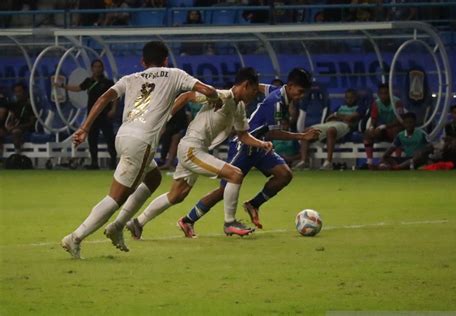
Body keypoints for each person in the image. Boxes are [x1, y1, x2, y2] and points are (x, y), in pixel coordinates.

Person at [61, 41, 221, 259]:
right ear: (166, 60)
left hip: (123, 136)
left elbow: (103, 98)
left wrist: (84, 128)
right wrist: (215, 99)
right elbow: (208, 90)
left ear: (143, 62)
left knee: (153, 178)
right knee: (116, 198)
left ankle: (117, 227)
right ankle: (76, 238)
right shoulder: (174, 74)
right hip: (141, 142)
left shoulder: (132, 78)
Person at [118, 67, 272, 239]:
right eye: (253, 89)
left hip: (197, 149)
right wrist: (164, 119)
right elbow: (186, 96)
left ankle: (137, 224)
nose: (255, 93)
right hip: (192, 148)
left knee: (177, 195)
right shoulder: (221, 96)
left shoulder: (239, 107)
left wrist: (261, 143)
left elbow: (243, 135)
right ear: (245, 85)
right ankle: (230, 223)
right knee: (235, 175)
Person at [174, 68, 320, 238]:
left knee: (284, 174)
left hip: (260, 146)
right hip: (244, 146)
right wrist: (302, 136)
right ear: (291, 86)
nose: (301, 96)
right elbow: (274, 133)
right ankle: (188, 219)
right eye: (300, 91)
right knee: (225, 188)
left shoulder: (277, 90)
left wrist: (247, 88)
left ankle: (253, 204)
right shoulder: (277, 102)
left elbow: (260, 87)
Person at [55, 59, 118, 169]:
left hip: (105, 115)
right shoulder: (88, 81)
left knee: (109, 138)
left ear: (102, 68)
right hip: (92, 115)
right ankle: (94, 163)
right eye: (95, 67)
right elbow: (77, 88)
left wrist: (113, 109)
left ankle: (113, 162)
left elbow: (116, 97)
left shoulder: (108, 82)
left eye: (99, 67)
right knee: (92, 139)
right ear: (92, 69)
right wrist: (62, 86)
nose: (97, 69)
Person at [295, 88, 365, 170]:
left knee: (331, 130)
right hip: (329, 124)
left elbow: (350, 118)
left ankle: (328, 162)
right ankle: (304, 161)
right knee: (306, 131)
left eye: (351, 97)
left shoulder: (359, 108)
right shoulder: (340, 107)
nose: (349, 100)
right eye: (347, 97)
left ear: (356, 98)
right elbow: (329, 118)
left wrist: (337, 116)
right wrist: (340, 116)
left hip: (345, 126)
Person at [363, 83, 405, 168]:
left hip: (394, 128)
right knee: (367, 133)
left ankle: (398, 161)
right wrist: (372, 127)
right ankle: (369, 162)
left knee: (398, 132)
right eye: (381, 93)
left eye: (385, 93)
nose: (383, 96)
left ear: (390, 93)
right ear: (378, 94)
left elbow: (400, 120)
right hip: (383, 130)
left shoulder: (397, 102)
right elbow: (373, 119)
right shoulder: (376, 103)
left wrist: (384, 126)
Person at [1, 83, 36, 155]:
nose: (18, 94)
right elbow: (9, 119)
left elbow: (32, 122)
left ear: (25, 92)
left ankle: (17, 154)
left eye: (20, 91)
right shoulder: (12, 105)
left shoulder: (30, 106)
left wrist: (18, 127)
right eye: (16, 92)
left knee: (16, 132)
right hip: (13, 127)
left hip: (25, 128)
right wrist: (9, 126)